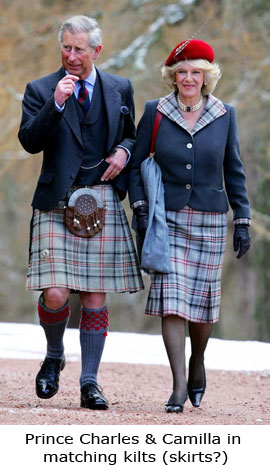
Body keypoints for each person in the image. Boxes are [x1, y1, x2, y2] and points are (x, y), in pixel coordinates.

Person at [18, 15, 143, 410]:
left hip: (102, 198)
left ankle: (90, 383)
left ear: (96, 51)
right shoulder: (40, 89)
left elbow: (130, 134)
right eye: (66, 48)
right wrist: (55, 103)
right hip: (57, 199)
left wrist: (124, 151)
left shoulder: (120, 87)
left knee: (93, 296)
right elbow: (29, 141)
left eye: (79, 49)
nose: (72, 56)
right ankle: (54, 355)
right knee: (55, 293)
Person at [128, 39, 251, 413]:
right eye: (181, 72)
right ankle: (179, 385)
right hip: (169, 219)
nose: (188, 78)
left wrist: (241, 218)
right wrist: (141, 206)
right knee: (172, 302)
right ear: (172, 76)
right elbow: (135, 165)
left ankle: (198, 362)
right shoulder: (156, 111)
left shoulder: (225, 114)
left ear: (206, 76)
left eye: (195, 72)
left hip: (211, 219)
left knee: (203, 307)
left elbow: (234, 170)